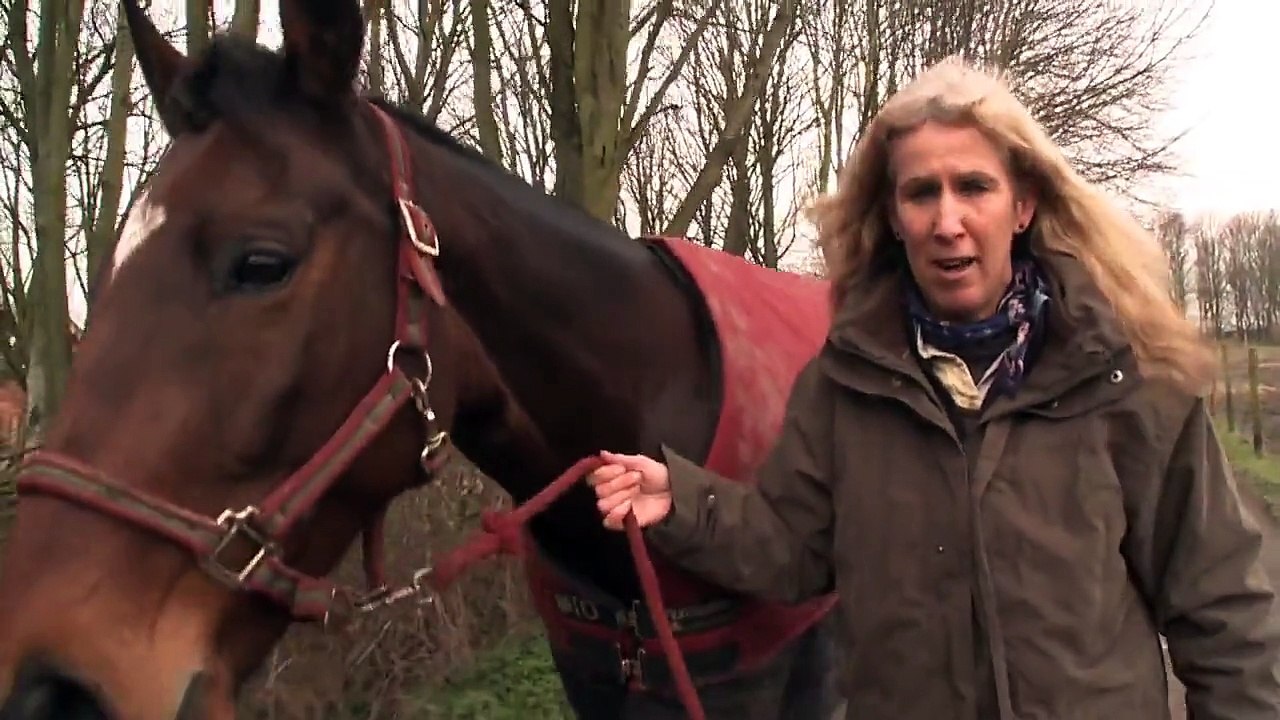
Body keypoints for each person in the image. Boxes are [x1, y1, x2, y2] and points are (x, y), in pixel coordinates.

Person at [587, 55, 1280, 719]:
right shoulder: (842, 387)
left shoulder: (1126, 380)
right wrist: (682, 500)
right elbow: (792, 550)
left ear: (1022, 205)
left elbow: (1224, 607)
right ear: (893, 216)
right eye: (922, 193)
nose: (948, 222)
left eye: (974, 187)